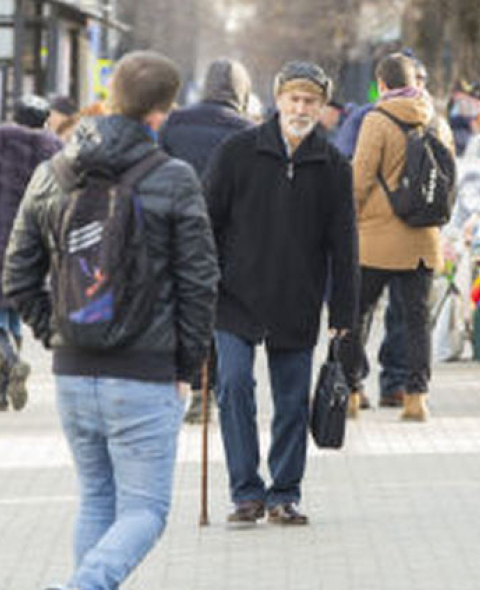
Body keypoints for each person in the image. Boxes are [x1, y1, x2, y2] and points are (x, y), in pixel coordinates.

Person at [3, 50, 218, 590]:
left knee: (97, 499)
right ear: (160, 112)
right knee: (146, 511)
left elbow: (16, 274)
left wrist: (56, 333)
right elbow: (201, 280)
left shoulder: (54, 173)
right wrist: (188, 364)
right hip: (144, 374)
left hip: (73, 374)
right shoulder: (172, 177)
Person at [203, 61, 358, 526]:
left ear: (322, 106)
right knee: (233, 387)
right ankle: (246, 492)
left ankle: (284, 493)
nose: (301, 107)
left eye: (310, 101)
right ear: (277, 100)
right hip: (234, 297)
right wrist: (201, 285)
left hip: (297, 297)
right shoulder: (237, 151)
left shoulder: (332, 165)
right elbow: (206, 223)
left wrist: (344, 309)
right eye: (293, 98)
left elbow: (344, 243)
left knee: (291, 401)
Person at [348, 52, 454, 422]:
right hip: (423, 239)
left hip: (376, 239)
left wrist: (352, 220)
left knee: (356, 314)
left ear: (382, 83)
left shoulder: (376, 120)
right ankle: (416, 398)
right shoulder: (436, 121)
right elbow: (447, 178)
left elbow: (360, 178)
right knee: (416, 320)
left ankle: (351, 391)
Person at [160, 57, 253, 422]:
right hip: (228, 237)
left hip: (178, 230)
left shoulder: (176, 123)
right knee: (218, 314)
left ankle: (186, 383)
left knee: (181, 309)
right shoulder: (247, 129)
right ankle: (209, 389)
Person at [0, 94, 61, 411]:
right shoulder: (54, 152)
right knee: (14, 316)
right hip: (34, 240)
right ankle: (0, 393)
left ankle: (13, 361)